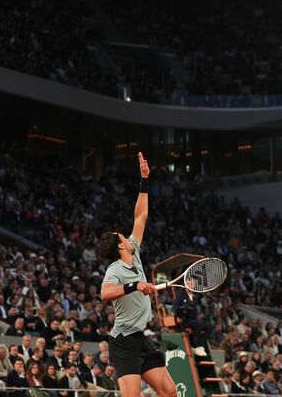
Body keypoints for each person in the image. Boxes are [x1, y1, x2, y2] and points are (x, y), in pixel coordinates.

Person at [99, 153, 174, 397]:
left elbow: (140, 216)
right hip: (124, 341)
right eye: (122, 237)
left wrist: (144, 179)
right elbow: (104, 293)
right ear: (121, 247)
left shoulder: (135, 249)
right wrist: (135, 285)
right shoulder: (114, 270)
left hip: (140, 337)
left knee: (169, 392)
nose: (127, 236)